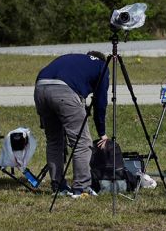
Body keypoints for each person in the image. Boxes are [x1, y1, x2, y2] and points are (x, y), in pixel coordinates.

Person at [34, 51, 110, 197]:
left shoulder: (75, 60)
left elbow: (43, 75)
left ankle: (58, 186)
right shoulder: (102, 66)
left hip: (40, 88)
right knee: (81, 142)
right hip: (64, 91)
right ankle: (81, 188)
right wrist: (102, 132)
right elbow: (100, 102)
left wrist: (44, 119)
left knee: (54, 141)